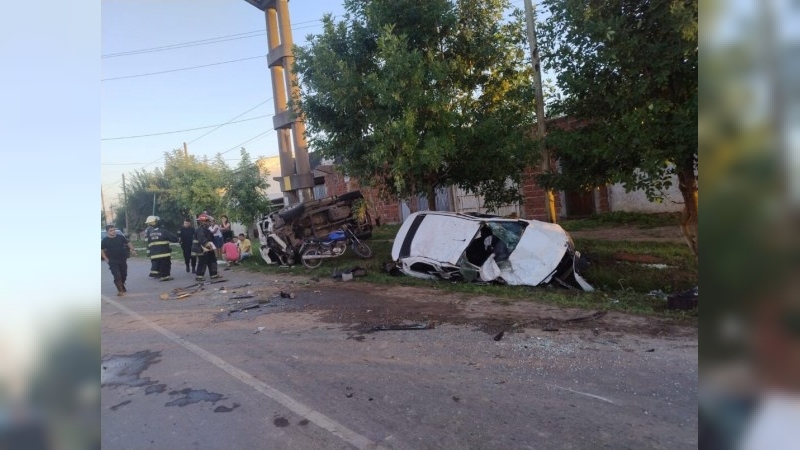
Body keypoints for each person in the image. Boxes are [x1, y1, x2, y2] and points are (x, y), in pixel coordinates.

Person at [101, 224, 136, 296]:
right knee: (117, 275)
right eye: (111, 231)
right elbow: (101, 250)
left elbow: (128, 243)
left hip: (122, 259)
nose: (113, 232)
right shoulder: (105, 240)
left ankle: (122, 285)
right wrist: (106, 258)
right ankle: (120, 290)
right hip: (112, 261)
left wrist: (132, 249)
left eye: (114, 230)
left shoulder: (120, 237)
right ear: (107, 232)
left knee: (124, 274)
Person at [145, 215, 179, 282]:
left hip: (154, 253)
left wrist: (149, 252)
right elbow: (173, 238)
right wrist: (178, 240)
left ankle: (157, 273)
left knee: (158, 263)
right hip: (164, 252)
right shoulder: (163, 231)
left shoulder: (149, 232)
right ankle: (165, 277)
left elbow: (148, 242)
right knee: (165, 264)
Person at [192, 213, 221, 281]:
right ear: (203, 222)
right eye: (208, 221)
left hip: (208, 248)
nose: (209, 223)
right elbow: (202, 240)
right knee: (202, 262)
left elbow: (211, 238)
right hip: (201, 248)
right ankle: (199, 276)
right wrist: (207, 245)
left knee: (212, 260)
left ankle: (214, 274)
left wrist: (211, 246)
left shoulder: (206, 229)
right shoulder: (200, 230)